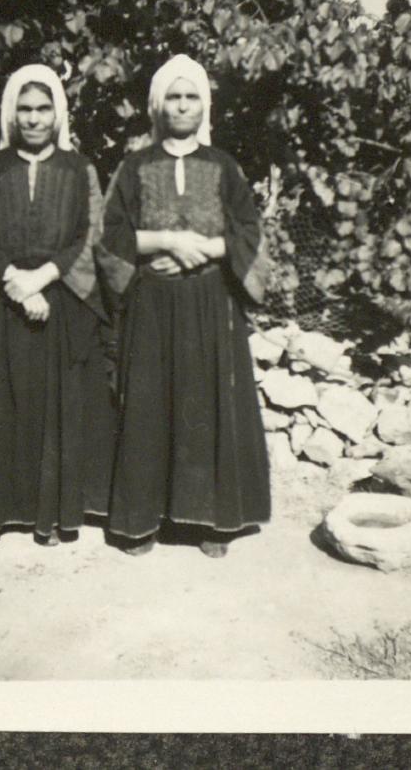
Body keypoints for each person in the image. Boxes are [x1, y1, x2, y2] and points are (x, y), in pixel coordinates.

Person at [97, 54, 272, 558]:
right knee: (149, 406)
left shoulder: (224, 167)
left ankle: (209, 522)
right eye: (172, 96)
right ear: (156, 105)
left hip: (210, 306)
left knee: (205, 405)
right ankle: (140, 521)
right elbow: (109, 237)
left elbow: (250, 234)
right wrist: (165, 243)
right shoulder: (134, 167)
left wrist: (205, 247)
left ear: (204, 104)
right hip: (150, 304)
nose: (181, 105)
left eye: (191, 96)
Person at [0, 64, 115, 556]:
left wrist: (44, 277)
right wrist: (15, 282)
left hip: (61, 303)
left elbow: (94, 236)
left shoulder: (79, 168)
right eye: (24, 108)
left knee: (62, 406)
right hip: (4, 304)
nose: (34, 118)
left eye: (43, 109)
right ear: (11, 113)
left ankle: (63, 511)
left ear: (58, 114)